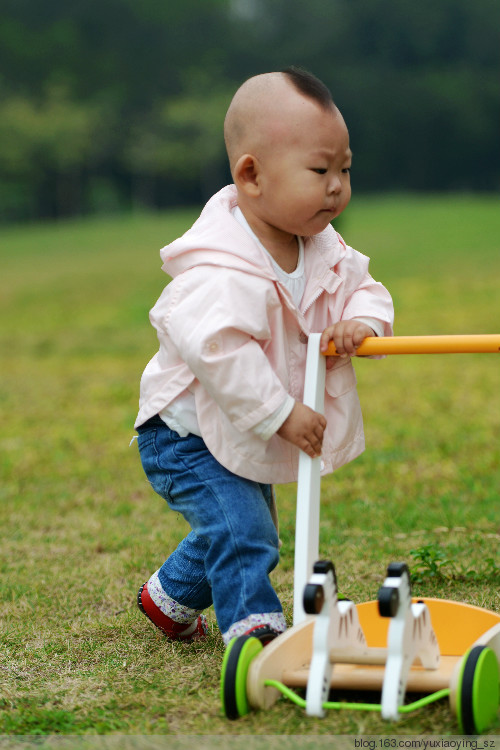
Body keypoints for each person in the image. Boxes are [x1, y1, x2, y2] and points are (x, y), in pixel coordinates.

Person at [133, 67, 394, 647]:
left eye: (345, 170)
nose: (336, 187)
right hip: (186, 434)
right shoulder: (221, 267)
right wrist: (281, 414)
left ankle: (168, 597)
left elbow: (364, 287)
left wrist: (363, 320)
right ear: (251, 175)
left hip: (240, 424)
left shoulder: (322, 246)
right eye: (321, 170)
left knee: (242, 529)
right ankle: (255, 633)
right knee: (247, 533)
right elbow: (220, 353)